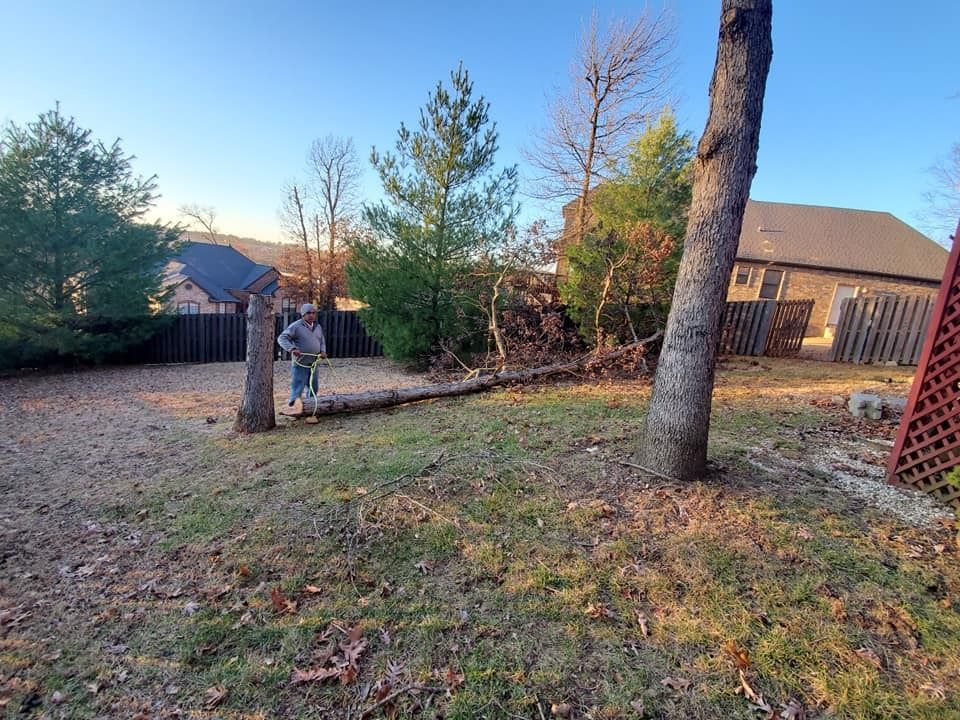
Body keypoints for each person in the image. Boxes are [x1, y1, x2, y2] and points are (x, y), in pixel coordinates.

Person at [277, 303, 327, 415]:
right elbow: (282, 338)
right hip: (300, 363)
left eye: (313, 313)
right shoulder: (296, 326)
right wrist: (292, 348)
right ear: (303, 314)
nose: (311, 315)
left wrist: (323, 351)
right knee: (298, 387)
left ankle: (311, 410)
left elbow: (322, 341)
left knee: (313, 387)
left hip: (314, 363)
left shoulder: (318, 327)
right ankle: (293, 410)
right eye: (308, 313)